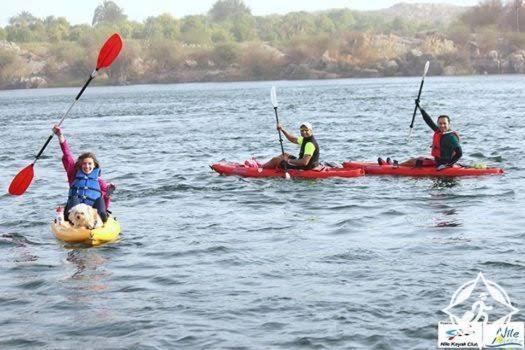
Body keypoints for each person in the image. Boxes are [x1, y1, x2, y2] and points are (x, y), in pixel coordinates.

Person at [52, 125, 115, 223]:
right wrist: (60, 135)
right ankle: (71, 222)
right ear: (80, 165)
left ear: (94, 165)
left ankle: (100, 221)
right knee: (74, 199)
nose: (87, 166)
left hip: (92, 213)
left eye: (90, 164)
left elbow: (105, 200)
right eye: (84, 164)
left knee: (100, 202)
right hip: (75, 213)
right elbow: (67, 155)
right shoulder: (73, 174)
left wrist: (109, 192)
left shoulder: (100, 181)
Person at [388, 100, 462, 169]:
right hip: (438, 161)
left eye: (444, 123)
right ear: (437, 124)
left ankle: (396, 166)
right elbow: (428, 121)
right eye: (440, 123)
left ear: (449, 124)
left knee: (417, 161)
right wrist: (420, 108)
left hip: (443, 165)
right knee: (417, 159)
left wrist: (447, 165)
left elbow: (459, 153)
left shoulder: (451, 137)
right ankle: (395, 165)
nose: (442, 125)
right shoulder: (439, 132)